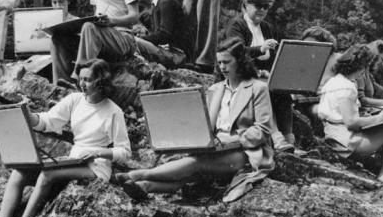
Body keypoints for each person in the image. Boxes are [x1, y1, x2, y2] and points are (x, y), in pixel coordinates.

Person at [115, 37, 275, 203]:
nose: (222, 67)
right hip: (214, 146)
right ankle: (145, 186)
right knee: (190, 170)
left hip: (245, 151)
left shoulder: (258, 88)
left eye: (227, 62)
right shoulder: (215, 89)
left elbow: (263, 130)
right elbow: (202, 125)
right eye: (219, 62)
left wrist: (229, 140)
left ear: (240, 61)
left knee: (195, 163)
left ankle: (139, 174)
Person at [0, 59, 132, 217]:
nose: (82, 84)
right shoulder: (75, 100)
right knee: (18, 172)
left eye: (88, 80)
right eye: (81, 79)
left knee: (47, 174)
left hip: (96, 167)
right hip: (74, 160)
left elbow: (124, 151)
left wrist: (97, 153)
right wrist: (27, 113)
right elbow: (48, 121)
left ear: (101, 81)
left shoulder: (113, 111)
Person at [317, 44, 383, 184]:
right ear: (360, 66)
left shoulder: (334, 81)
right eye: (366, 66)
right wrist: (378, 118)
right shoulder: (346, 86)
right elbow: (351, 122)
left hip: (334, 136)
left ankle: (381, 169)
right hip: (346, 142)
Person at [223, 0, 294, 152]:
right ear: (245, 5)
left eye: (266, 6)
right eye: (257, 5)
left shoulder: (266, 28)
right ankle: (277, 137)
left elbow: (271, 58)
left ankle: (289, 137)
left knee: (282, 90)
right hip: (240, 75)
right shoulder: (236, 25)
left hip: (260, 75)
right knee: (264, 90)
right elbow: (235, 52)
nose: (262, 10)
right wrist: (260, 49)